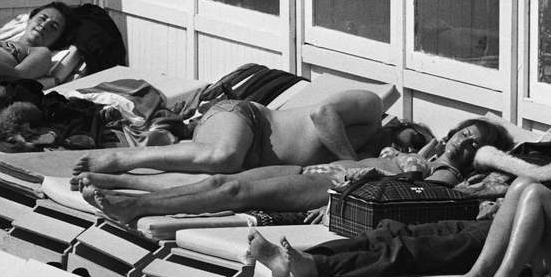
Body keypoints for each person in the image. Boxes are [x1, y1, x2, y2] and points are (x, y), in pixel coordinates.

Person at [249, 181, 551, 277]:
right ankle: (305, 254)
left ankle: (316, 267)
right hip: (499, 228)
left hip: (525, 253)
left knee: (413, 250)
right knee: (393, 230)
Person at [78, 118, 512, 226]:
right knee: (217, 182)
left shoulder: (449, 179)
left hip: (330, 186)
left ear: (482, 155)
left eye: (474, 143)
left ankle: (136, 207)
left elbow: (424, 198)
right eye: (463, 132)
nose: (462, 141)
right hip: (308, 168)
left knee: (231, 193)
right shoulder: (428, 152)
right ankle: (121, 186)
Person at [75, 89, 407, 177]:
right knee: (225, 156)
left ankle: (175, 140)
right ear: (400, 129)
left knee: (224, 162)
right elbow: (323, 114)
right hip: (247, 118)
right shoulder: (371, 107)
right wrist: (349, 162)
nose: (391, 153)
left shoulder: (373, 162)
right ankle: (120, 158)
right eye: (404, 143)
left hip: (248, 154)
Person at [0, 2, 74, 81]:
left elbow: (18, 76)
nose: (44, 25)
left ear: (59, 39)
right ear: (30, 19)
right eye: (42, 18)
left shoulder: (41, 52)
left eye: (53, 27)